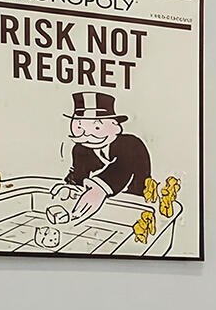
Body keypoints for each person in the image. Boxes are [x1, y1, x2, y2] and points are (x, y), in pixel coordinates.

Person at [48, 92, 153, 226]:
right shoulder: (80, 150)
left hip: (137, 206)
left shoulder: (131, 144)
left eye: (97, 127)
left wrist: (98, 190)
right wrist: (69, 187)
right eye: (80, 127)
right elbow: (78, 175)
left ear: (115, 126)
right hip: (104, 210)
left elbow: (120, 170)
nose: (87, 134)